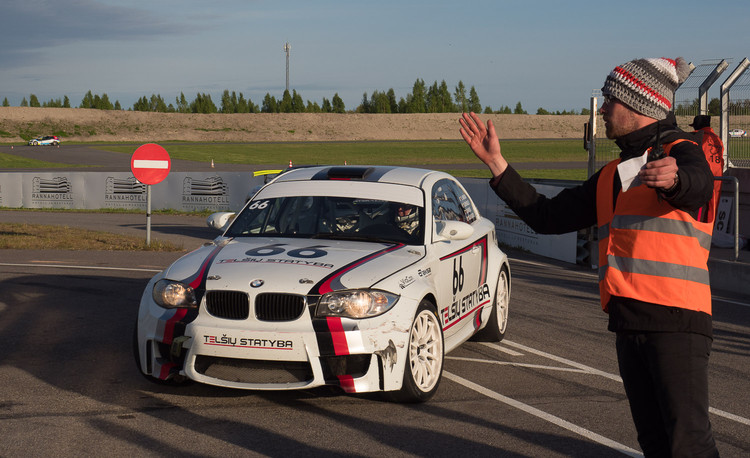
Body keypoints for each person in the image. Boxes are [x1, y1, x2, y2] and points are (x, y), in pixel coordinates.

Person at [460, 57, 719, 457]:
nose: (601, 110)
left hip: (676, 321)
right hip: (629, 322)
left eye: (609, 101)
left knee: (689, 447)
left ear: (638, 105)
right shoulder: (613, 174)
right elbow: (546, 216)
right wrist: (496, 164)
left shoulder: (682, 151)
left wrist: (675, 179)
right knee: (654, 444)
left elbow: (697, 186)